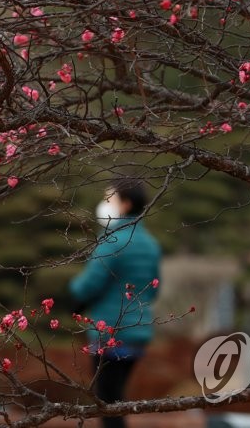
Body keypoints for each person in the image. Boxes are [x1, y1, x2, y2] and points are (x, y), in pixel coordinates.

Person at [68, 178, 162, 428]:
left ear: (125, 204)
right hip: (139, 332)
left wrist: (72, 297)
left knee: (108, 404)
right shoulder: (150, 244)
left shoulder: (113, 240)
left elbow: (88, 285)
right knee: (116, 398)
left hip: (110, 332)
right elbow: (154, 289)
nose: (105, 204)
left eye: (109, 199)